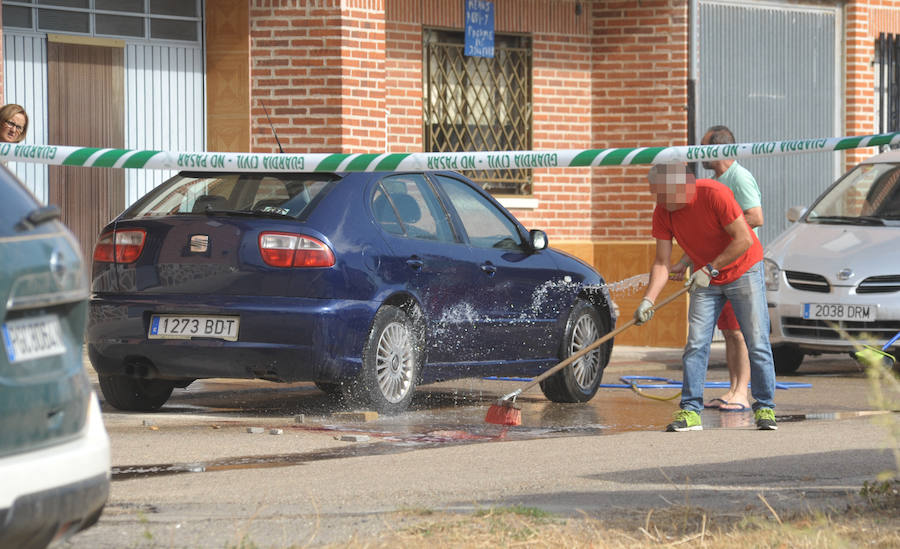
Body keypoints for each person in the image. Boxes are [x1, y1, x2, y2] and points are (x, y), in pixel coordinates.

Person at [634, 163, 777, 431]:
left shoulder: (714, 194)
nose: (659, 201)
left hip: (743, 270)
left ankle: (765, 408)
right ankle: (690, 412)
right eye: (656, 195)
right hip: (706, 277)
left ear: (681, 188)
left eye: (663, 194)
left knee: (756, 339)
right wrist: (648, 301)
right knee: (696, 344)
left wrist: (710, 268)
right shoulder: (663, 212)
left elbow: (744, 238)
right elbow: (662, 262)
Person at [669, 126, 762, 412]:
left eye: (703, 147)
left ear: (718, 149)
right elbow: (705, 231)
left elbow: (756, 217)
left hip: (737, 267)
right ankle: (732, 389)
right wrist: (685, 262)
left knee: (740, 333)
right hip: (715, 269)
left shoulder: (739, 178)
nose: (699, 153)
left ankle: (742, 392)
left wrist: (727, 224)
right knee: (729, 333)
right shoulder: (715, 180)